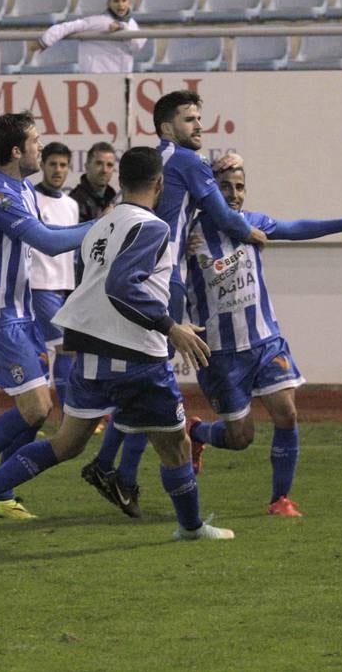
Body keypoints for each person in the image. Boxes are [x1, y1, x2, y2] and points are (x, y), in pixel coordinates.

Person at [0, 146, 233, 549]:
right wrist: (173, 328)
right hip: (140, 358)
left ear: (121, 181)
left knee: (65, 444)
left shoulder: (101, 225)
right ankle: (190, 526)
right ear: (161, 184)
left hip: (92, 353)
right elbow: (121, 286)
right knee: (177, 446)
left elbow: (95, 284)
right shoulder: (153, 228)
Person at [81, 90, 267, 518]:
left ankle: (115, 470)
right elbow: (221, 214)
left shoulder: (146, 159)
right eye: (189, 119)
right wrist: (249, 231)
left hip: (128, 273)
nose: (199, 125)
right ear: (166, 127)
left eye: (199, 118)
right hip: (163, 280)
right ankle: (116, 471)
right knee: (153, 382)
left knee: (144, 379)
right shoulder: (188, 162)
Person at [186, 155, 342, 517]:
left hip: (265, 341)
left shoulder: (253, 223)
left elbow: (297, 227)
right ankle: (196, 434)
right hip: (221, 354)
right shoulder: (190, 234)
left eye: (240, 187)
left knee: (287, 414)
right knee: (240, 438)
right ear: (209, 190)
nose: (234, 194)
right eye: (225, 187)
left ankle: (280, 500)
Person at [0, 113, 92, 521]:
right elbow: (47, 242)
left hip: (20, 313)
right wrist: (107, 223)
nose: (41, 147)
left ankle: (0, 492)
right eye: (35, 141)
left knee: (41, 407)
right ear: (16, 151)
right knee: (34, 408)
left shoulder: (21, 188)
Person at [31, 142, 80, 412]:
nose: (58, 170)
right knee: (65, 348)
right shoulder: (32, 198)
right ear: (42, 165)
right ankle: (67, 414)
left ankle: (39, 409)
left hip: (65, 287)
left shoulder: (71, 205)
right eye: (53, 164)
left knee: (46, 350)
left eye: (63, 165)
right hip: (40, 285)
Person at [37, 0, 146, 74]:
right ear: (109, 3)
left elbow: (136, 47)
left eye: (124, 0)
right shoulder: (98, 21)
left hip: (122, 77)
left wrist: (123, 29)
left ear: (129, 2)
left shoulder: (132, 24)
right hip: (96, 77)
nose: (120, 5)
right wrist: (45, 41)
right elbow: (68, 27)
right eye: (116, 1)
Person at [69, 141, 118, 223]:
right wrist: (101, 221)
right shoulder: (74, 202)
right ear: (87, 166)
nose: (104, 170)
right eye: (99, 163)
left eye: (109, 165)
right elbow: (74, 234)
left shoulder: (112, 198)